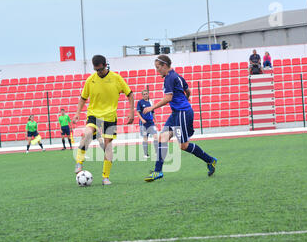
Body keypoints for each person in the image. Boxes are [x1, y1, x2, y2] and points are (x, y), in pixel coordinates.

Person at [143, 55, 217, 182]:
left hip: (182, 113)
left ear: (165, 65)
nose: (157, 71)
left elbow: (168, 98)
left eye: (158, 67)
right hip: (177, 113)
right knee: (162, 138)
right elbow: (188, 90)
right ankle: (157, 171)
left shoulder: (169, 78)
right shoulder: (177, 76)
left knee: (183, 146)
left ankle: (210, 160)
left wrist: (152, 108)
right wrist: (187, 97)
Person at [72, 54, 134, 185]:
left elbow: (130, 94)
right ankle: (79, 162)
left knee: (108, 147)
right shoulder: (90, 80)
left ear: (105, 65)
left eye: (100, 69)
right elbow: (83, 98)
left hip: (110, 117)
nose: (98, 72)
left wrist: (131, 112)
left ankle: (105, 177)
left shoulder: (116, 78)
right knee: (87, 133)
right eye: (96, 70)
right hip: (94, 115)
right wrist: (77, 113)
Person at [136, 89, 158, 158]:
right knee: (145, 138)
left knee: (155, 136)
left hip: (151, 123)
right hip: (143, 123)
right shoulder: (140, 102)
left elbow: (153, 112)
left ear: (148, 94)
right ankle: (146, 154)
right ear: (142, 95)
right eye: (144, 94)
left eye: (146, 94)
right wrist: (142, 119)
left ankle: (157, 152)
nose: (145, 95)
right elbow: (138, 112)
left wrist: (155, 121)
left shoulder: (150, 102)